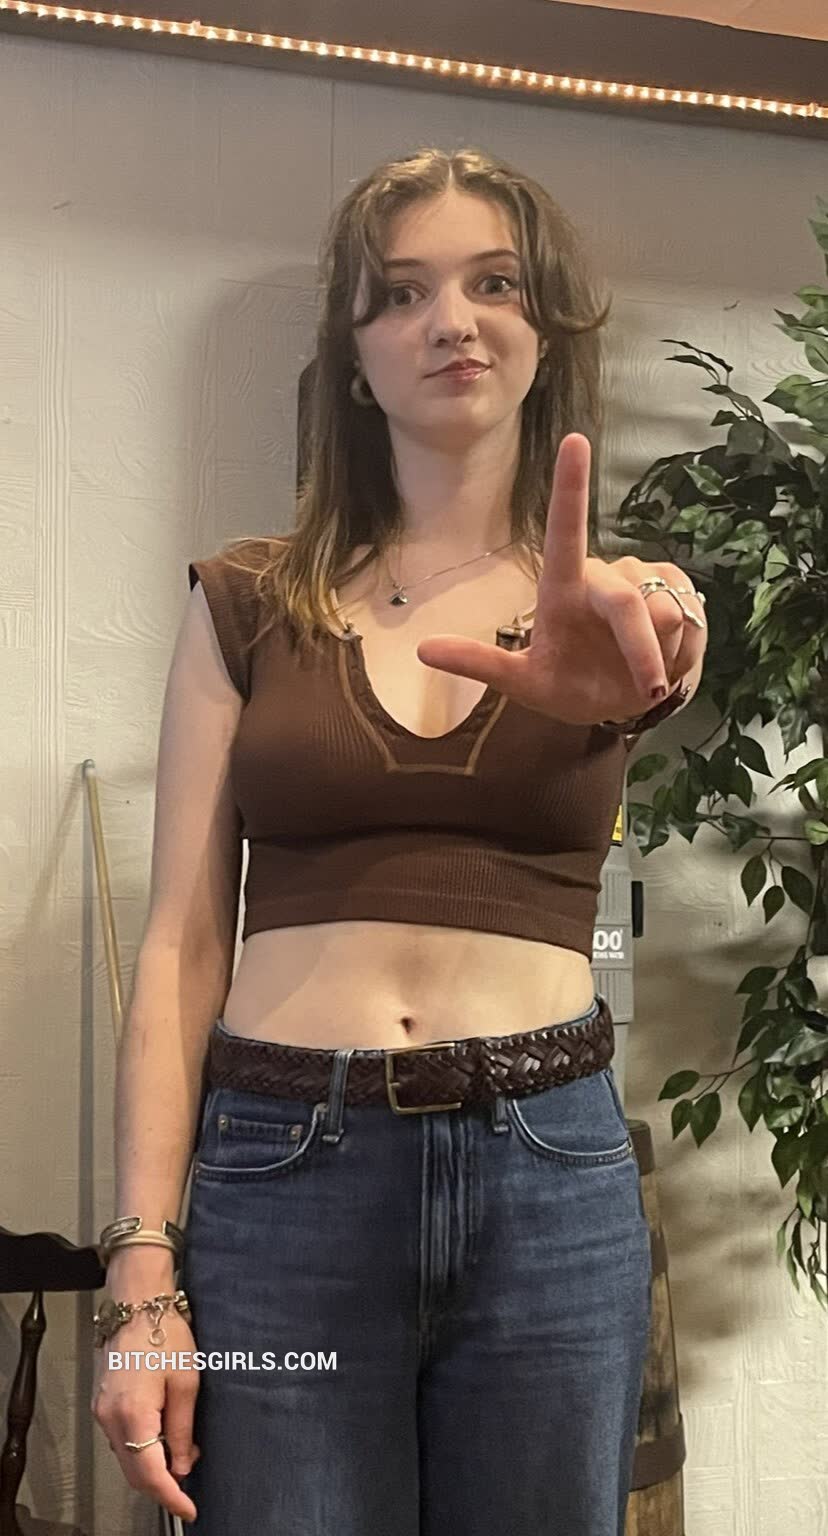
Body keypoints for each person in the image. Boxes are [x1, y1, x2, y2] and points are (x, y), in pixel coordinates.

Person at [91, 145, 707, 1534]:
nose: (452, 321)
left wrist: (668, 641)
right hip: (280, 1188)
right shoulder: (246, 602)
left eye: (495, 284)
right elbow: (182, 943)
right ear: (355, 357)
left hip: (549, 1178)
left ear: (544, 335)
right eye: (404, 292)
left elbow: (668, 647)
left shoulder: (610, 602)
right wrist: (141, 1270)